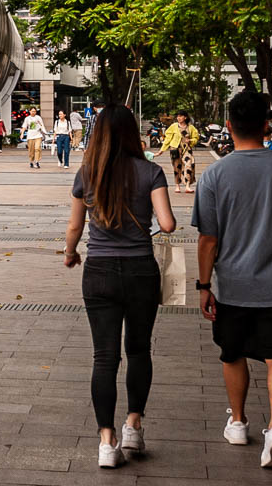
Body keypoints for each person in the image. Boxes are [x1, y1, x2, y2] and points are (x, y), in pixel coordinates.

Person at [192, 91, 272, 470]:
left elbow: (208, 238)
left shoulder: (214, 174)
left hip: (232, 285)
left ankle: (238, 422)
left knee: (232, 353)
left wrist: (204, 286)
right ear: (266, 126)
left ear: (229, 125)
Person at [64, 106, 176, 469]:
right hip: (141, 270)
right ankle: (133, 425)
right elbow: (167, 224)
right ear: (132, 133)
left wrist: (70, 254)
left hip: (98, 271)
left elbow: (74, 227)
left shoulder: (87, 173)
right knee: (139, 350)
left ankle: (106, 441)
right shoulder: (151, 172)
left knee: (104, 356)